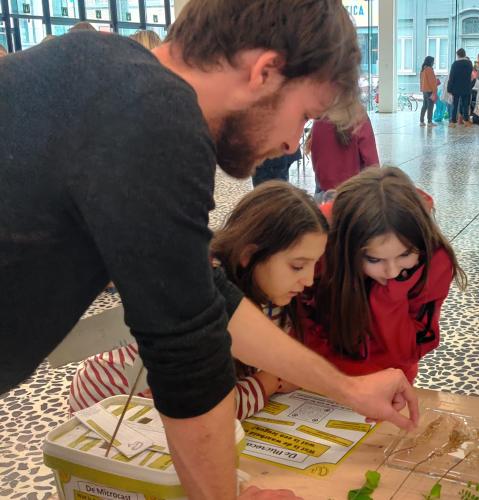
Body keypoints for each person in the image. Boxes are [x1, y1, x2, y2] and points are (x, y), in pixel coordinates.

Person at [0, 1, 418, 498]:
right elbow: (187, 357)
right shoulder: (156, 116)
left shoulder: (109, 79)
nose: (292, 144)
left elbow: (208, 301)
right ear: (265, 72)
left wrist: (349, 390)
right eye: (303, 117)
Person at [69, 182, 324, 420]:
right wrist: (267, 383)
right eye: (298, 266)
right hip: (109, 405)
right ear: (249, 255)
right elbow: (207, 410)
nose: (309, 280)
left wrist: (275, 377)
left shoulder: (276, 297)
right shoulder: (200, 300)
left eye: (314, 264)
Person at [304, 167, 467, 382]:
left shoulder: (434, 261)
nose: (392, 272)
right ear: (347, 251)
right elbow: (302, 328)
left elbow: (410, 350)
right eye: (374, 259)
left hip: (392, 379)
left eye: (405, 254)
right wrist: (337, 383)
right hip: (321, 378)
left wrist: (390, 295)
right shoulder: (318, 250)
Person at [309, 113, 379, 194]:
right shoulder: (359, 117)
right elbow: (372, 164)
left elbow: (315, 158)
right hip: (353, 192)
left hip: (325, 192)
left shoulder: (319, 118)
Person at [447, 48, 474, 128]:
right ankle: (466, 121)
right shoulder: (469, 63)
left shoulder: (455, 64)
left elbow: (451, 77)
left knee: (455, 105)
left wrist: (449, 88)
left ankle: (453, 122)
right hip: (466, 87)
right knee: (465, 105)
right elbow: (471, 75)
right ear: (465, 54)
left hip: (456, 88)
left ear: (458, 55)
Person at [419, 56, 438, 127]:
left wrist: (422, 89)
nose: (433, 63)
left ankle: (421, 121)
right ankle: (429, 122)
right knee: (430, 106)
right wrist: (435, 90)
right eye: (433, 61)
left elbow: (421, 81)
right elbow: (432, 81)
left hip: (424, 90)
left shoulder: (423, 69)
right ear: (430, 62)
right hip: (430, 91)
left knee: (424, 106)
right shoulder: (429, 69)